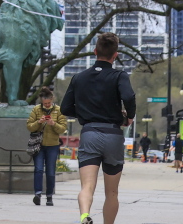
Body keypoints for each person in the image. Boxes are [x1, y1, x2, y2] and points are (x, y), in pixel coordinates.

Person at [61, 32, 135, 224]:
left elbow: (65, 108)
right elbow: (128, 97)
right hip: (112, 134)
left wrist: (85, 114)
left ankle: (85, 215)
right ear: (115, 55)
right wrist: (129, 117)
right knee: (111, 192)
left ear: (95, 51)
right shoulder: (119, 76)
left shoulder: (79, 78)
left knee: (87, 186)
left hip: (90, 134)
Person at [27, 86, 68, 205]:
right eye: (45, 103)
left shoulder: (59, 110)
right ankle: (38, 194)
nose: (47, 105)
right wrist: (39, 122)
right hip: (38, 145)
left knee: (50, 171)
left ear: (52, 99)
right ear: (41, 101)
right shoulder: (36, 110)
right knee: (38, 169)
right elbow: (29, 126)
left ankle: (49, 196)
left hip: (52, 145)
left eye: (49, 103)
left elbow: (63, 128)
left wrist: (53, 124)